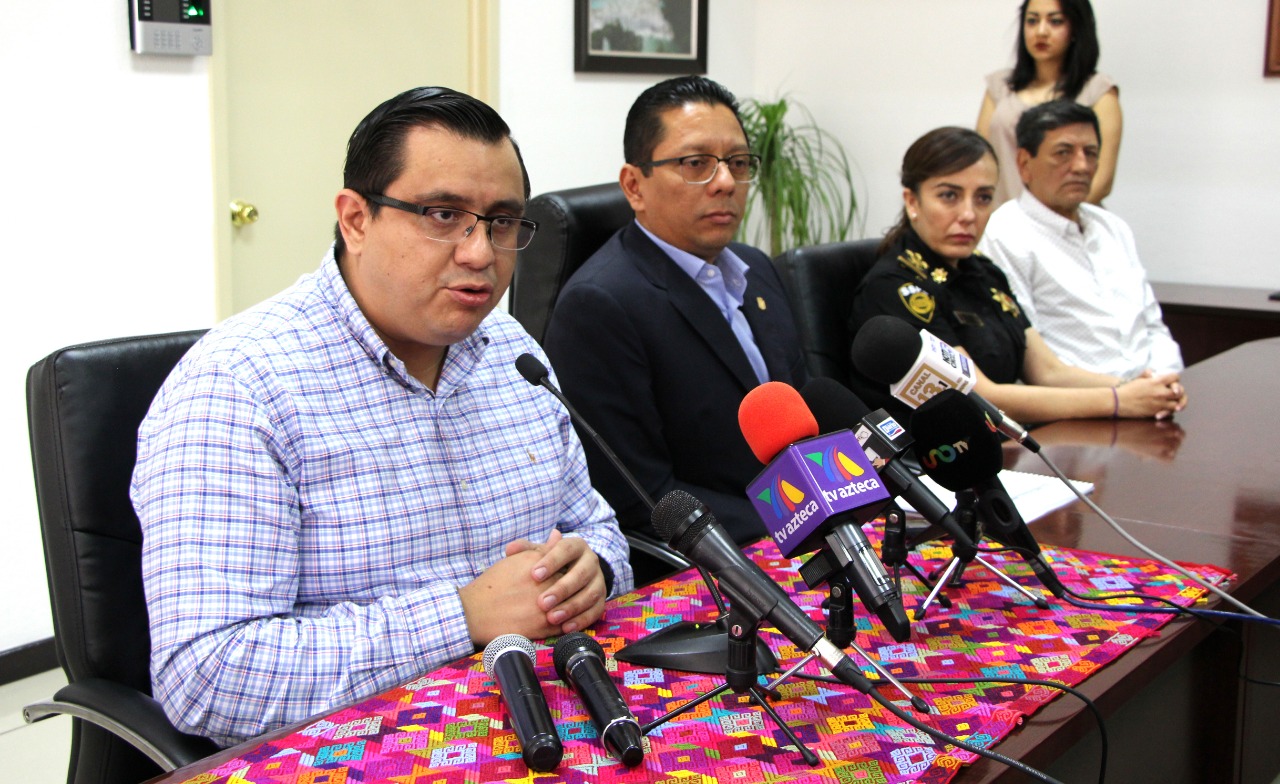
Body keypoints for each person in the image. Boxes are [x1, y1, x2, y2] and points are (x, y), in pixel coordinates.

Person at [131, 87, 633, 747]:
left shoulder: (514, 354)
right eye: (443, 215)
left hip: (550, 718)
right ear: (355, 220)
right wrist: (462, 617)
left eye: (502, 221)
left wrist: (592, 570)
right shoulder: (239, 387)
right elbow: (206, 675)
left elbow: (597, 529)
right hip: (362, 749)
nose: (481, 253)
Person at [542, 75, 807, 548]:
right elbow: (641, 496)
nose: (725, 182)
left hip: (807, 527)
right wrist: (794, 518)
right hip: (722, 556)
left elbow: (804, 411)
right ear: (634, 186)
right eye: (696, 163)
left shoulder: (758, 270)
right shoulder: (599, 306)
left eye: (738, 162)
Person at [846, 126, 1186, 428]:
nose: (969, 214)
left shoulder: (984, 272)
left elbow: (1048, 371)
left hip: (1004, 448)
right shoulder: (895, 286)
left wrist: (1140, 389)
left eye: (983, 198)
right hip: (933, 462)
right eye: (949, 196)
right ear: (912, 201)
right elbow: (983, 397)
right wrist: (1117, 401)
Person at [979, 101, 1183, 378]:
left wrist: (1164, 378)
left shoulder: (1112, 228)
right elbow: (1031, 356)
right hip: (1084, 397)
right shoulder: (1005, 234)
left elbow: (1153, 327)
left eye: (1090, 153)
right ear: (1024, 164)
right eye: (1063, 153)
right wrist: (1125, 392)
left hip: (1155, 389)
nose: (1081, 166)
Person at [976, 0, 1121, 206]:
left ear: (1076, 28)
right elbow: (980, 163)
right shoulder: (1000, 86)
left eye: (1055, 21)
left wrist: (1048, 219)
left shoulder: (1098, 91)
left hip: (1069, 220)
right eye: (1032, 21)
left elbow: (1102, 181)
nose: (1041, 31)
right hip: (1004, 217)